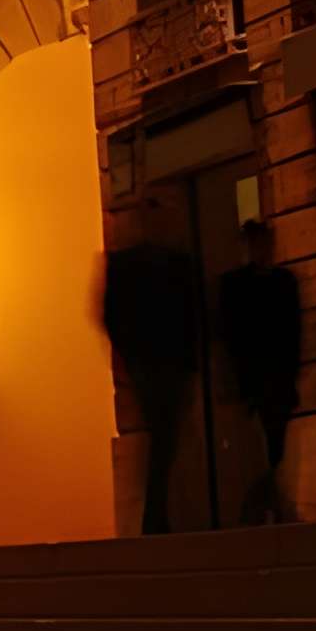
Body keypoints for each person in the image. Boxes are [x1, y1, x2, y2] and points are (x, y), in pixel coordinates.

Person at [102, 202, 203, 535]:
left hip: (147, 362)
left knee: (160, 437)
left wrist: (128, 357)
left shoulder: (123, 265)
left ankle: (156, 513)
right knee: (166, 436)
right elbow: (193, 313)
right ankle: (160, 513)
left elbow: (110, 314)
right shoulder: (175, 263)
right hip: (163, 361)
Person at [215, 218, 302, 523]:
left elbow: (292, 331)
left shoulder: (276, 282)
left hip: (271, 376)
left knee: (271, 444)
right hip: (256, 377)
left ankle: (263, 503)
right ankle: (265, 502)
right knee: (260, 446)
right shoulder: (241, 285)